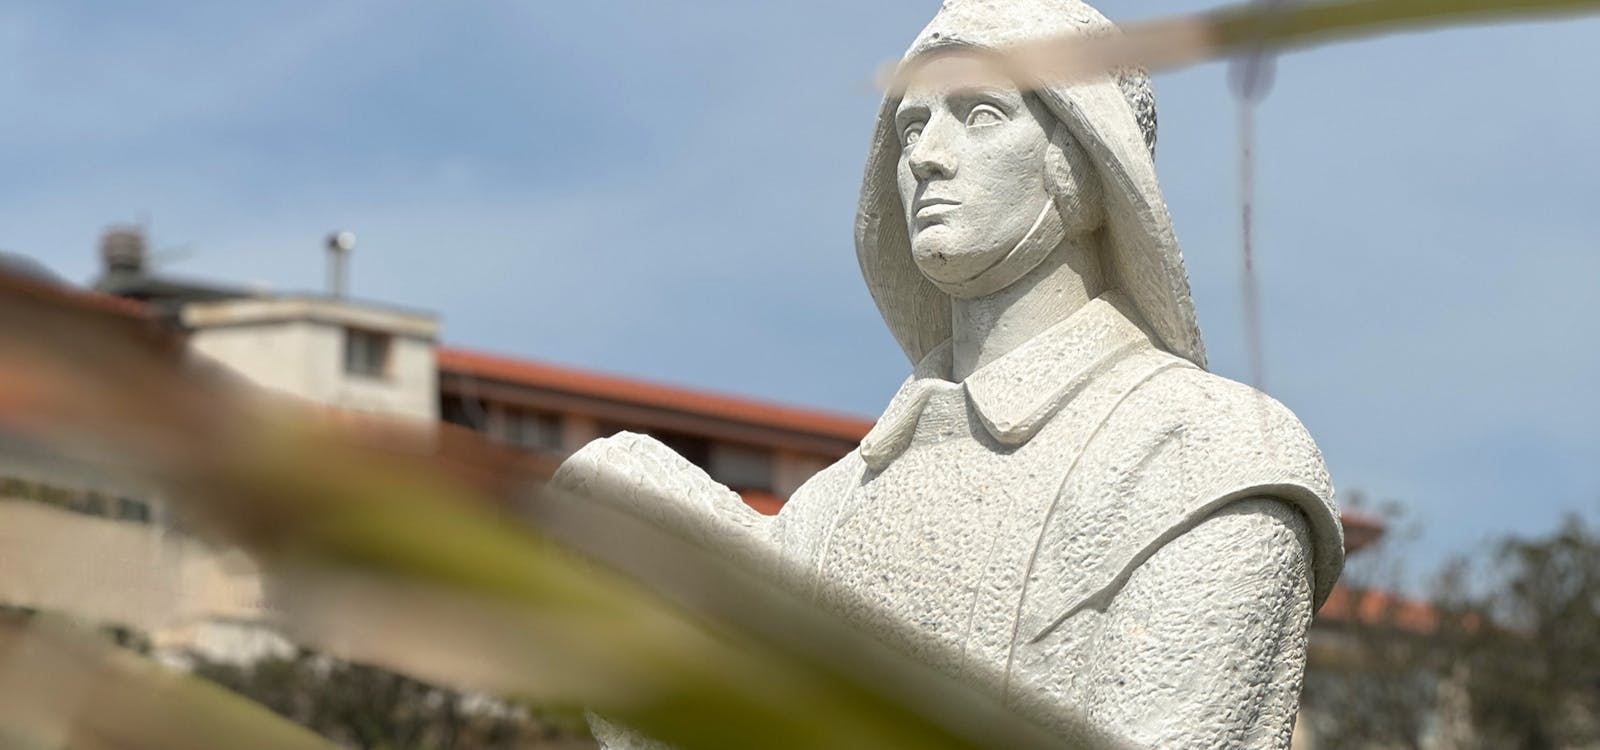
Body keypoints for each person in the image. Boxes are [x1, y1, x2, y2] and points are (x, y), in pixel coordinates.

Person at [556, 1, 1344, 746]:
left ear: (1080, 157)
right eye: (910, 126)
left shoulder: (1206, 457)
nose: (926, 156)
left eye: (981, 114)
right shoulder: (826, 512)